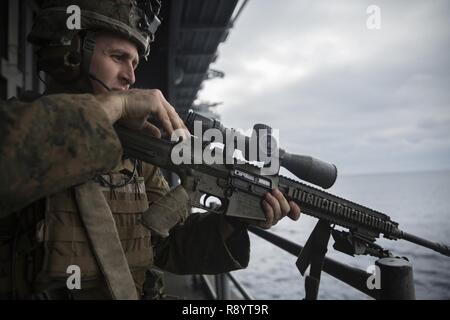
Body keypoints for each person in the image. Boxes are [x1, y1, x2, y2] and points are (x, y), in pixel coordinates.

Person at [0, 0, 300, 299]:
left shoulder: (136, 155)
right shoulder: (17, 124)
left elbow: (164, 247)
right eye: (118, 57)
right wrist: (116, 105)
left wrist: (231, 222)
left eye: (134, 64)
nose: (130, 77)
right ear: (70, 56)